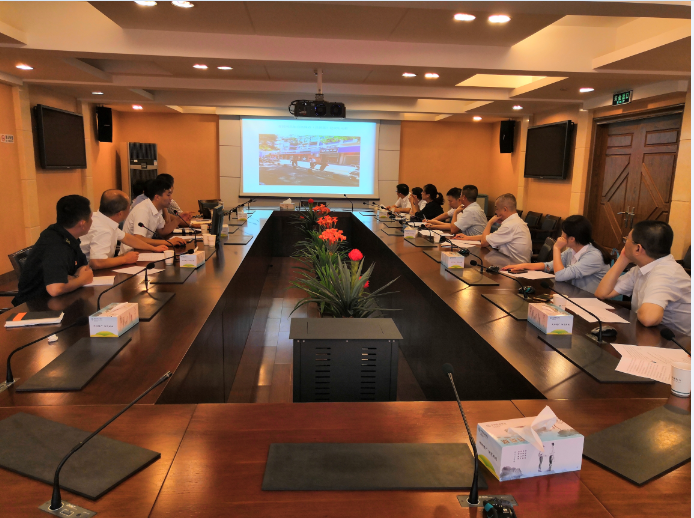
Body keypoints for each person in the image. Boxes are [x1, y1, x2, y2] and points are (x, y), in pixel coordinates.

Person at [595, 221, 691, 335]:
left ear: (638, 248)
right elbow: (602, 293)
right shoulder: (642, 267)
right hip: (650, 333)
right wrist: (623, 258)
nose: (624, 245)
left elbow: (649, 319)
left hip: (678, 341)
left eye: (626, 240)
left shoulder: (666, 273)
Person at [13, 195, 94, 306]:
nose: (92, 221)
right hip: (35, 306)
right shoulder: (55, 244)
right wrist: (81, 280)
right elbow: (55, 289)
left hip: (58, 301)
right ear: (82, 223)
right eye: (91, 217)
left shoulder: (67, 236)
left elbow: (83, 268)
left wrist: (74, 278)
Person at [501, 215, 610, 294]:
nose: (560, 236)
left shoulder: (593, 256)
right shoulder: (572, 250)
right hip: (573, 297)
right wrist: (523, 266)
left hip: (590, 303)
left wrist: (557, 248)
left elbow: (560, 276)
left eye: (563, 233)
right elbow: (549, 266)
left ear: (572, 239)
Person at [80, 189, 170, 270]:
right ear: (120, 214)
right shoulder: (103, 229)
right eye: (129, 207)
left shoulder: (101, 218)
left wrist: (153, 248)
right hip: (91, 273)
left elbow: (127, 238)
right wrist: (125, 259)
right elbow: (97, 263)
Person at [120, 177, 185, 255]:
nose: (171, 198)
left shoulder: (156, 208)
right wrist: (168, 242)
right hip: (131, 253)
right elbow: (138, 238)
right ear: (157, 197)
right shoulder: (143, 210)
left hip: (144, 250)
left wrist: (178, 220)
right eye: (168, 195)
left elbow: (162, 231)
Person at [466, 193, 531, 263]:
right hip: (511, 262)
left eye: (497, 209)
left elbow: (484, 242)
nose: (496, 212)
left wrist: (489, 223)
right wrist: (467, 238)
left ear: (505, 209)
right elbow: (491, 236)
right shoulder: (517, 221)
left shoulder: (510, 225)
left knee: (480, 262)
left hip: (515, 265)